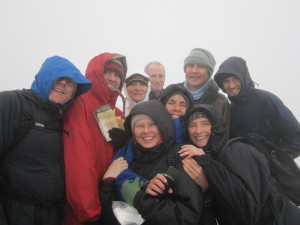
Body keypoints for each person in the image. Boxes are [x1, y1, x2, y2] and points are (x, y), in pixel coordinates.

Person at [0, 56, 92, 225]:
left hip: (51, 216)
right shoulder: (12, 103)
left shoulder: (63, 119)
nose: (63, 84)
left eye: (70, 82)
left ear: (74, 92)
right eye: (58, 77)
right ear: (45, 76)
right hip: (14, 213)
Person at [181, 104, 300, 225]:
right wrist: (207, 189)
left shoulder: (237, 151)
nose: (198, 130)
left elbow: (249, 212)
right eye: (192, 125)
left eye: (205, 123)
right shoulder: (210, 160)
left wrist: (208, 165)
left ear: (216, 126)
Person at [100, 100, 204, 225]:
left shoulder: (180, 155)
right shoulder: (126, 162)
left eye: (152, 124)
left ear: (163, 126)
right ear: (133, 131)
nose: (146, 131)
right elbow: (110, 215)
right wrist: (107, 183)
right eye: (139, 126)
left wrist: (139, 198)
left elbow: (187, 218)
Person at [62, 52, 127, 225]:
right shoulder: (80, 103)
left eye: (118, 75)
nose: (112, 78)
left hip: (107, 203)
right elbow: (78, 163)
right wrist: (90, 213)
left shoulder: (116, 112)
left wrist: (126, 142)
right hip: (84, 213)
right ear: (96, 73)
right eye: (107, 72)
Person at [214, 56, 300, 158]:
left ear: (244, 78)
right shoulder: (230, 109)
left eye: (236, 79)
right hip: (244, 169)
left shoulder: (267, 100)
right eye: (226, 81)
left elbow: (295, 136)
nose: (231, 85)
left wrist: (277, 161)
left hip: (272, 170)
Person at [179, 48, 230, 135]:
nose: (194, 70)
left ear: (209, 72)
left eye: (200, 66)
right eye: (191, 65)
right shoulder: (172, 94)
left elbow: (223, 138)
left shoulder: (221, 102)